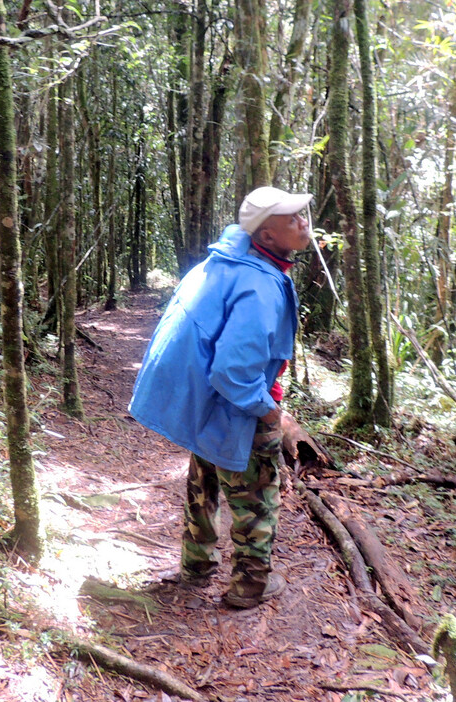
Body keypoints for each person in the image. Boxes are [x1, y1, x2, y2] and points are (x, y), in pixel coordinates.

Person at [129, 186, 313, 609]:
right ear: (266, 236)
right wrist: (267, 413)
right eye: (292, 219)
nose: (304, 222)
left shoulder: (230, 261)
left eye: (302, 214)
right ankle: (250, 586)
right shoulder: (259, 285)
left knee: (205, 477)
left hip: (205, 401)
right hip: (234, 403)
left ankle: (196, 567)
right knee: (259, 493)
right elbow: (232, 371)